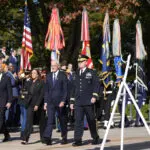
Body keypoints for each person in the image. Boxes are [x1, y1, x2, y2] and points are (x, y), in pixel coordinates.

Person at [70, 54, 100, 146]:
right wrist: (72, 101)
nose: (79, 63)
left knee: (91, 120)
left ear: (86, 62)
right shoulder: (75, 73)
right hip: (78, 101)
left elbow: (96, 85)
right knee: (78, 121)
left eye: (81, 62)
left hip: (88, 100)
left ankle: (95, 137)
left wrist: (94, 96)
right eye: (78, 62)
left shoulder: (91, 72)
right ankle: (78, 139)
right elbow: (73, 88)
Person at [43, 60, 68, 145]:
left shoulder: (62, 75)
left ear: (58, 66)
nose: (52, 67)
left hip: (60, 102)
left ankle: (64, 136)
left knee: (62, 120)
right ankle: (48, 137)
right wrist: (45, 102)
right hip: (50, 102)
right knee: (50, 120)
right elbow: (46, 90)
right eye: (51, 65)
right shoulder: (48, 76)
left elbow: (65, 90)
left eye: (54, 65)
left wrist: (63, 101)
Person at [21, 69, 44, 144]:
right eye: (32, 73)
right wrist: (25, 100)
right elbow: (25, 92)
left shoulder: (41, 82)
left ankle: (43, 137)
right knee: (29, 122)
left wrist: (37, 104)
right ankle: (25, 139)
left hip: (38, 104)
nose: (33, 74)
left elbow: (41, 95)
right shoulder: (28, 82)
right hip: (30, 104)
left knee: (41, 121)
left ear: (38, 74)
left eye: (35, 73)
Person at [0, 63, 12, 142]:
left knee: (1, 118)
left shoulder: (6, 78)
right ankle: (6, 134)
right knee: (2, 121)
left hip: (3, 102)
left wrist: (9, 101)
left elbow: (9, 91)